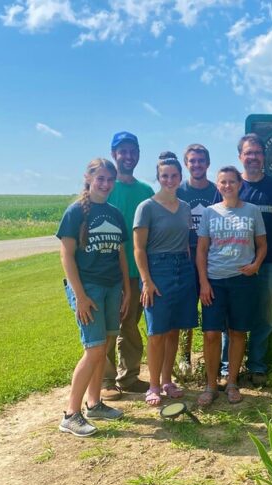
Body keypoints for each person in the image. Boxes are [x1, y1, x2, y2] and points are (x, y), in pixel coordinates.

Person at [57, 158, 129, 436]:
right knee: (94, 348)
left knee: (106, 344)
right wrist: (80, 295)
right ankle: (71, 414)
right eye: (100, 178)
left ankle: (95, 403)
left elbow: (120, 254)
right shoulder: (76, 212)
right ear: (88, 178)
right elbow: (66, 255)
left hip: (113, 287)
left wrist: (127, 289)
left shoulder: (114, 213)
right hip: (89, 288)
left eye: (110, 179)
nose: (106, 184)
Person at [223, 133, 272, 386]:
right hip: (233, 266)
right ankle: (226, 369)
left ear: (263, 156)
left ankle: (257, 367)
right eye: (248, 153)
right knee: (230, 318)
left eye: (257, 152)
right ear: (240, 156)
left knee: (264, 318)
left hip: (269, 263)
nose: (253, 157)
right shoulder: (230, 185)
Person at [197, 166, 267, 406]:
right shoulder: (209, 213)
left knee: (238, 332)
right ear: (218, 185)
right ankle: (210, 385)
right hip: (215, 281)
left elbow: (262, 244)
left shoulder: (252, 211)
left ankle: (233, 383)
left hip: (242, 281)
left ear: (240, 184)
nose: (227, 186)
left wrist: (256, 264)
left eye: (232, 182)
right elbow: (202, 250)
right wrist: (204, 283)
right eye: (223, 182)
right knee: (211, 334)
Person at [133, 152, 198, 406]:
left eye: (173, 176)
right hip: (157, 270)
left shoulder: (185, 207)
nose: (169, 180)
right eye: (164, 176)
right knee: (157, 331)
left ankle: (168, 381)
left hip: (183, 268)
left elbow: (187, 244)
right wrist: (146, 281)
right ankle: (153, 385)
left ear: (180, 177)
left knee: (174, 330)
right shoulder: (146, 207)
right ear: (158, 178)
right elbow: (139, 249)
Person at [103, 132, 154, 400]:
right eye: (123, 151)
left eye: (133, 151)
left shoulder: (146, 191)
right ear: (114, 154)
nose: (128, 156)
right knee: (109, 325)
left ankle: (130, 376)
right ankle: (106, 380)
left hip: (136, 272)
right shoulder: (106, 187)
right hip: (107, 271)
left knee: (130, 326)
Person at [175, 144, 218, 378]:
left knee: (212, 306)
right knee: (187, 308)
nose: (197, 164)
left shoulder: (216, 191)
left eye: (201, 160)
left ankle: (212, 357)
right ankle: (184, 356)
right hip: (186, 256)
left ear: (207, 163)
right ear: (186, 163)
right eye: (192, 161)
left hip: (214, 256)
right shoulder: (179, 191)